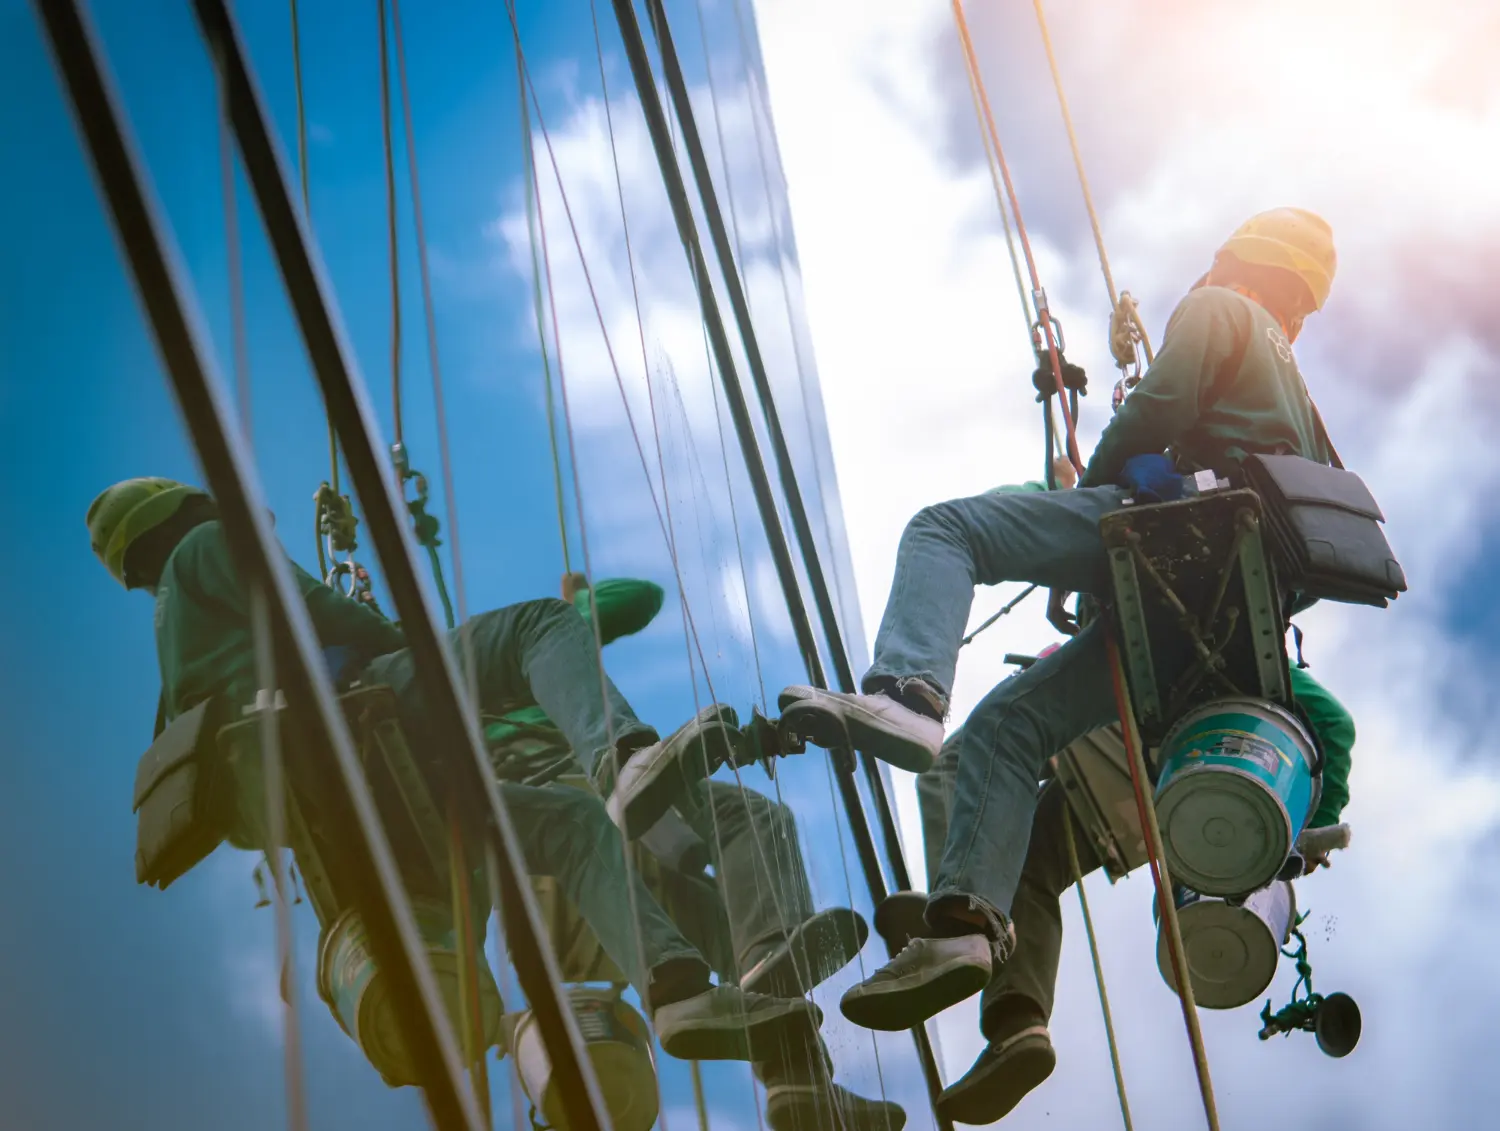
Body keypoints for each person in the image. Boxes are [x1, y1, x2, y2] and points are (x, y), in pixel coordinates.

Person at [772, 208, 1346, 1032]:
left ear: (1235, 261)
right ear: (1301, 300)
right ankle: (967, 925)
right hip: (1211, 622)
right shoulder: (1309, 418)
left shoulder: (1224, 308)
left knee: (947, 529)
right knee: (1013, 723)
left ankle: (907, 693)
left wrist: (1099, 492)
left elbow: (1156, 407)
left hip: (1176, 540)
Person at [86, 477, 822, 1064]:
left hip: (363, 799)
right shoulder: (212, 544)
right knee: (540, 624)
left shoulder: (174, 679)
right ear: (183, 509)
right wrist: (419, 643)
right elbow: (314, 611)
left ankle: (681, 989)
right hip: (359, 723)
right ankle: (623, 760)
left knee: (567, 826)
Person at [488, 573, 905, 1130]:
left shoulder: (450, 699)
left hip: (580, 914)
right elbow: (640, 599)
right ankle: (766, 955)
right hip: (566, 820)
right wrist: (581, 605)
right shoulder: (521, 651)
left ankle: (798, 1083)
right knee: (752, 819)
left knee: (722, 916)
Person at [912, 657, 1354, 1122]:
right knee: (1030, 870)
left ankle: (955, 923)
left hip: (1127, 740)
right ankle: (1017, 1025)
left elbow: (1335, 723)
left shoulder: (1236, 644)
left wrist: (1314, 826)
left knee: (960, 762)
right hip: (1147, 799)